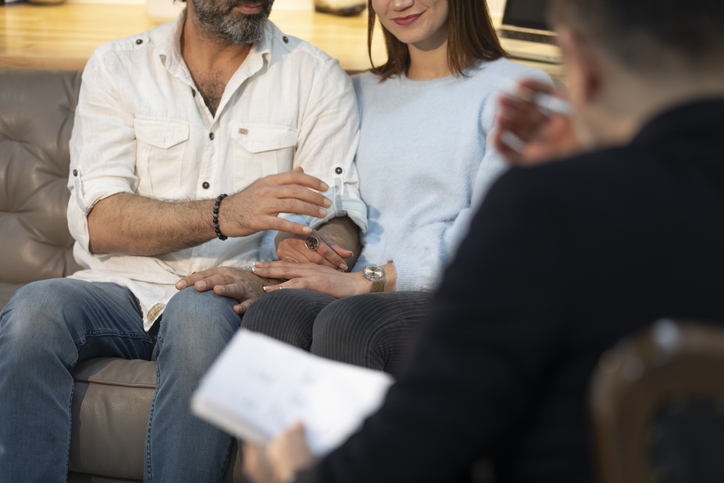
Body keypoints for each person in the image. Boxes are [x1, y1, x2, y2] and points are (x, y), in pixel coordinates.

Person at [241, 0, 724, 481]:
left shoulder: (551, 201)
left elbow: (437, 428)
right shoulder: (579, 190)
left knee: (353, 323)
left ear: (583, 64)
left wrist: (303, 474)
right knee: (277, 309)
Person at [0, 0, 367, 479]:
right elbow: (101, 221)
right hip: (119, 289)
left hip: (230, 291)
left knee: (197, 314)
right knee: (33, 311)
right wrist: (225, 213)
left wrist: (319, 248)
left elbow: (335, 216)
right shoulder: (117, 65)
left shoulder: (315, 76)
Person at [239, 0, 550, 374]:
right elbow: (316, 197)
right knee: (275, 310)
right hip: (351, 288)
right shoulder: (353, 93)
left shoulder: (519, 92)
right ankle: (268, 437)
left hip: (461, 294)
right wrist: (298, 245)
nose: (399, 3)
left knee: (353, 323)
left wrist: (369, 281)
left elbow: (498, 233)